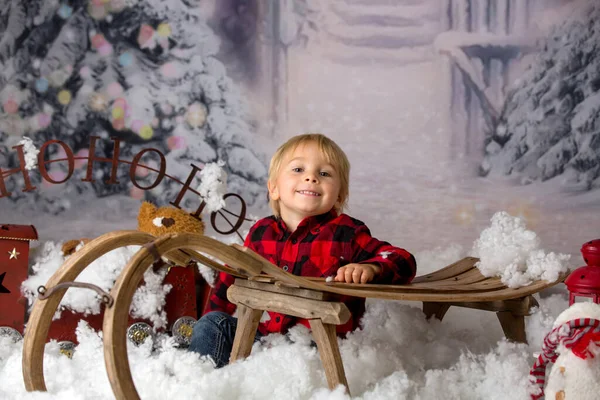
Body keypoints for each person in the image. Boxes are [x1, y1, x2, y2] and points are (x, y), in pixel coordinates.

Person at [188, 133, 416, 367]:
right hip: (266, 336)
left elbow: (403, 259)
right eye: (298, 169)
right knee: (211, 324)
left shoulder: (347, 233)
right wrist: (211, 318)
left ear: (339, 197)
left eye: (324, 173)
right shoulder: (261, 232)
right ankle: (204, 384)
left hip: (319, 345)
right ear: (274, 188)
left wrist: (371, 268)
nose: (311, 177)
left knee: (298, 357)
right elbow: (230, 278)